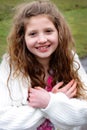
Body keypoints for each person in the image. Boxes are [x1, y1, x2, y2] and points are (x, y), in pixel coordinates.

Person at [0, 0, 87, 130]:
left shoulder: (70, 59)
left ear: (59, 32)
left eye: (48, 31)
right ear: (22, 38)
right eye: (33, 34)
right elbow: (3, 121)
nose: (42, 40)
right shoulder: (11, 65)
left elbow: (84, 113)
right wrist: (51, 103)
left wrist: (49, 101)